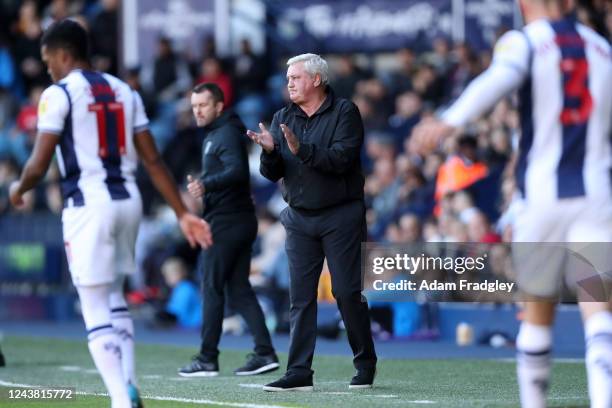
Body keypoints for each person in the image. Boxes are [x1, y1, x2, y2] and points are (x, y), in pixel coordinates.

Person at [411, 1, 612, 407]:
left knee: (538, 314)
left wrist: (451, 119)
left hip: (542, 198)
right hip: (596, 195)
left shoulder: (524, 41)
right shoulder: (601, 48)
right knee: (601, 315)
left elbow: (499, 78)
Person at [8, 20, 212, 408]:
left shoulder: (58, 93)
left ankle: (120, 399)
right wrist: (182, 212)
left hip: (89, 205)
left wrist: (18, 188)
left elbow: (37, 163)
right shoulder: (125, 90)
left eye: (48, 59)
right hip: (128, 202)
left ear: (63, 55)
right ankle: (129, 386)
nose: (48, 67)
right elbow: (153, 160)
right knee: (115, 293)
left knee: (93, 302)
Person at [247, 53, 377, 392]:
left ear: (316, 80)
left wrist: (300, 149)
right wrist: (270, 152)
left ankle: (365, 362)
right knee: (300, 297)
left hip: (341, 215)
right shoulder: (281, 116)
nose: (288, 82)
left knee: (346, 293)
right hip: (299, 217)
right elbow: (272, 173)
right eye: (287, 77)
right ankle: (299, 371)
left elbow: (341, 159)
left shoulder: (345, 112)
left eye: (296, 77)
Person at [179, 82, 279, 377]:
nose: (197, 111)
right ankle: (265, 353)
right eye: (194, 106)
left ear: (219, 106)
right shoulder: (219, 133)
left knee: (211, 286)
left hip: (227, 222)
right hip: (236, 220)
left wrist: (206, 184)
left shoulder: (224, 133)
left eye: (203, 105)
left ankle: (207, 358)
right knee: (238, 289)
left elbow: (237, 170)